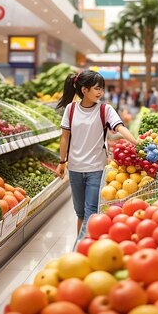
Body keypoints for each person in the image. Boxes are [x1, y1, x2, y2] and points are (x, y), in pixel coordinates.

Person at [55, 70, 139, 232]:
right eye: (97, 88)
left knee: (91, 213)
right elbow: (64, 137)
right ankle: (80, 245)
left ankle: (83, 249)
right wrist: (62, 162)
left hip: (96, 168)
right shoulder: (71, 110)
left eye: (102, 88)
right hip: (75, 168)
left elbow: (120, 127)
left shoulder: (105, 110)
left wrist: (136, 142)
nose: (100, 92)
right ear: (84, 90)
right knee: (80, 212)